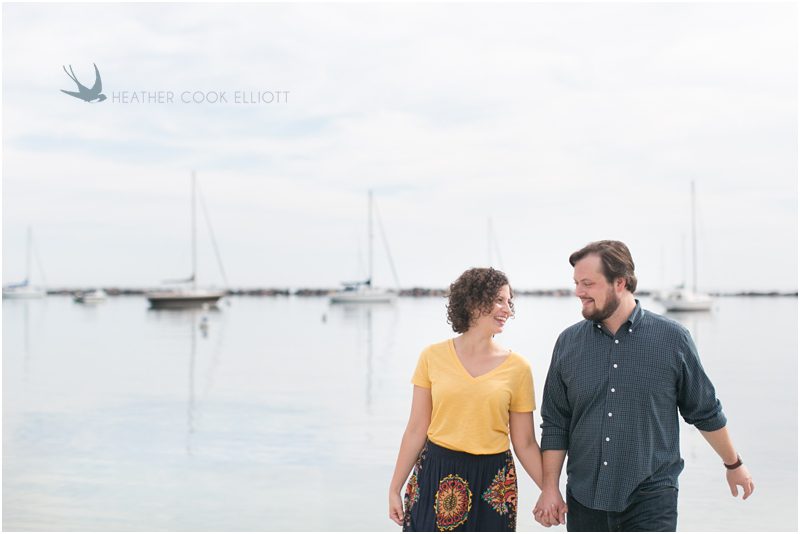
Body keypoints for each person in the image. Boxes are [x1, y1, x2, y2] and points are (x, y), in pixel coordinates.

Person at [533, 240, 754, 531]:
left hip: (651, 497)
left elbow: (704, 410)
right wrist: (550, 488)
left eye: (588, 283)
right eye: (576, 283)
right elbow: (556, 423)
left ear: (620, 282)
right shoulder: (568, 343)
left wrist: (733, 465)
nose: (579, 292)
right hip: (585, 499)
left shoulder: (672, 339)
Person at [389, 267, 543, 531]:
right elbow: (416, 429)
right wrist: (394, 487)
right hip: (435, 472)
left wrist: (550, 490)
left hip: (493, 480)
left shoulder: (518, 368)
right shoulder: (432, 357)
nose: (507, 309)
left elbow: (525, 442)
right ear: (472, 303)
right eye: (498, 300)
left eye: (509, 302)